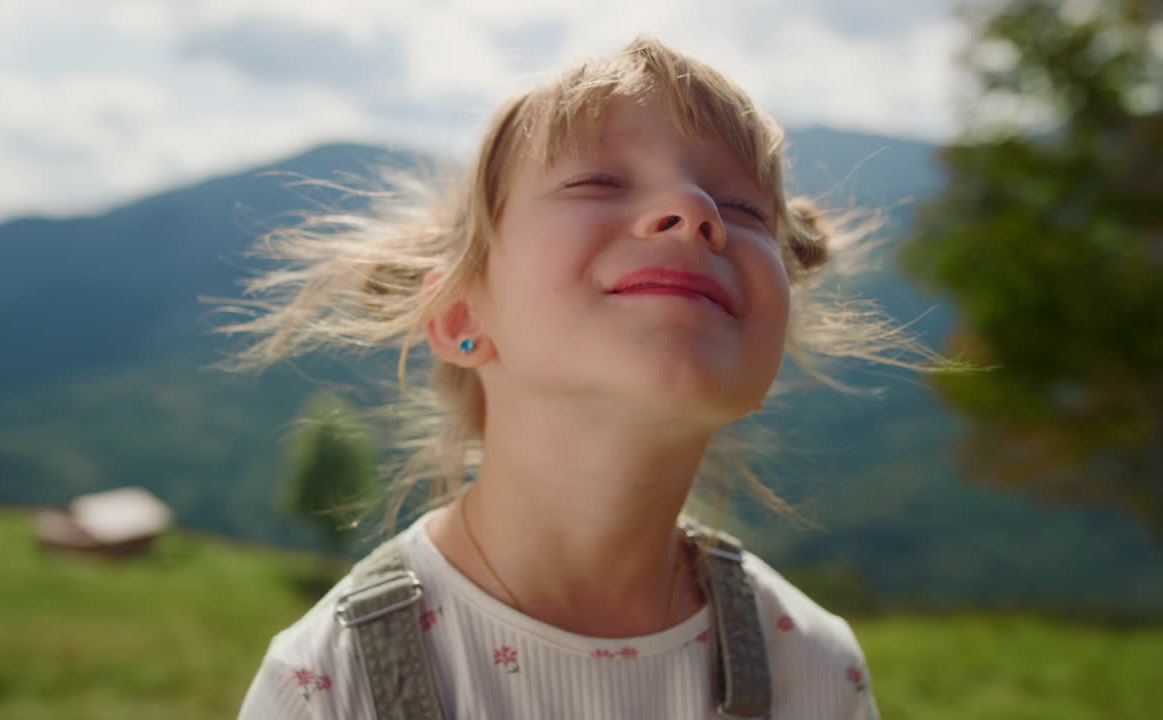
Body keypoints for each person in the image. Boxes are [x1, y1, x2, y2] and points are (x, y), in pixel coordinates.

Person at [231, 35, 913, 719]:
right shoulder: (328, 685)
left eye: (744, 208)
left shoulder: (814, 669)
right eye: (600, 181)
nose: (696, 211)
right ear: (461, 315)